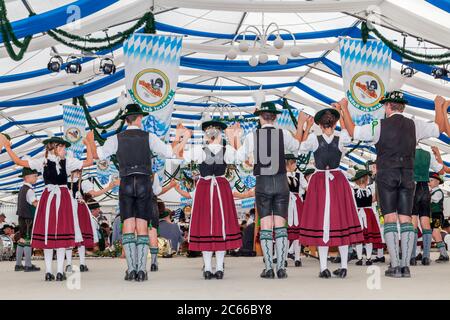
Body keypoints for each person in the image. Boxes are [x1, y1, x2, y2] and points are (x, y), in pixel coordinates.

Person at [337, 92, 444, 278]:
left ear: (387, 107)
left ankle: (394, 265)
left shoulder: (379, 125)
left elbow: (353, 132)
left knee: (390, 218)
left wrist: (344, 108)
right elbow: (438, 129)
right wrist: (438, 106)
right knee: (406, 219)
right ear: (402, 107)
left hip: (387, 174)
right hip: (408, 175)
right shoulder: (414, 125)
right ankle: (405, 266)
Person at [87, 103, 190, 282]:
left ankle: (131, 269)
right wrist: (183, 138)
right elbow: (168, 152)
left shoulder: (117, 138)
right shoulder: (148, 136)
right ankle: (142, 270)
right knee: (142, 227)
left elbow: (98, 156)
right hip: (144, 181)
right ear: (140, 118)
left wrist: (89, 141)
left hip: (126, 181)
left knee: (128, 225)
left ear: (126, 119)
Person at [0, 134, 93, 281]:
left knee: (59, 235)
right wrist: (6, 146)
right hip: (52, 198)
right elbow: (17, 161)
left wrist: (88, 144)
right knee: (51, 235)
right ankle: (52, 271)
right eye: (62, 147)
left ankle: (56, 271)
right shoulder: (44, 161)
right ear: (55, 148)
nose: (64, 150)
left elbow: (89, 162)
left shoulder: (64, 161)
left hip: (56, 198)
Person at [229, 101, 304, 279]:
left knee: (265, 226)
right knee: (280, 226)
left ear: (261, 117)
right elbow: (297, 146)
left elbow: (238, 157)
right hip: (281, 182)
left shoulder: (252, 136)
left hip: (262, 183)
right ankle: (281, 268)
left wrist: (235, 137)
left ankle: (269, 267)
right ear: (275, 117)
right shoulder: (283, 133)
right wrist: (301, 125)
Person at [296, 107, 364, 279]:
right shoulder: (342, 137)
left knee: (321, 224)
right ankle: (343, 267)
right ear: (335, 123)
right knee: (340, 222)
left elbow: (300, 149)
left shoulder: (313, 138)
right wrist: (343, 114)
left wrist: (303, 126)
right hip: (337, 181)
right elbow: (352, 133)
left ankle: (324, 268)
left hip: (319, 182)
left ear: (319, 124)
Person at [174, 118, 242, 280]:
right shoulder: (228, 150)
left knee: (205, 226)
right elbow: (242, 158)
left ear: (206, 134)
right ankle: (219, 268)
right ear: (221, 134)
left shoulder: (199, 150)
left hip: (204, 188)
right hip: (221, 187)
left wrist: (184, 138)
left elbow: (177, 154)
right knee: (221, 226)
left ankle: (207, 268)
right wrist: (235, 137)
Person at [65, 170, 117, 273]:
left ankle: (69, 265)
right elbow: (94, 194)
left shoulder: (63, 183)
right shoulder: (83, 182)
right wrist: (109, 187)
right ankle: (82, 264)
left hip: (68, 209)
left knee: (69, 236)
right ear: (80, 171)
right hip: (80, 209)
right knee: (82, 237)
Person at [410, 146, 444, 266]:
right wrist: (438, 154)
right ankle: (425, 257)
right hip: (425, 188)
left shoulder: (407, 150)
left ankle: (412, 256)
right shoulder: (427, 154)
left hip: (412, 187)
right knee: (425, 222)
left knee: (413, 222)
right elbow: (441, 170)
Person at [351, 169, 383, 266]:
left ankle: (360, 258)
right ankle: (368, 258)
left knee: (361, 239)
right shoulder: (366, 190)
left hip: (362, 214)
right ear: (366, 179)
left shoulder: (356, 190)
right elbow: (373, 199)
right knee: (368, 239)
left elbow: (352, 203)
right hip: (367, 215)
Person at [148, 177, 176, 273]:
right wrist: (170, 186)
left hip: (136, 205)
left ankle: (138, 263)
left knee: (139, 233)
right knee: (152, 232)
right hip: (151, 205)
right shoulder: (152, 172)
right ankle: (154, 262)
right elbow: (157, 191)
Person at [14, 168, 40, 272]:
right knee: (28, 240)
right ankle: (28, 265)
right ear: (27, 177)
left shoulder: (21, 189)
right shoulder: (29, 190)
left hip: (21, 218)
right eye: (35, 176)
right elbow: (35, 204)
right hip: (28, 219)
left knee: (22, 240)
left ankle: (18, 264)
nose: (36, 178)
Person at [285, 154, 308, 267]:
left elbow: (307, 187)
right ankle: (283, 257)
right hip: (285, 203)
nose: (296, 165)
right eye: (294, 163)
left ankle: (297, 258)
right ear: (289, 163)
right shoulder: (281, 175)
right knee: (285, 231)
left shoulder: (299, 175)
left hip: (297, 203)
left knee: (297, 231)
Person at [428, 172, 449, 263]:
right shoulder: (431, 191)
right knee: (434, 234)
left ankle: (444, 254)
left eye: (431, 180)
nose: (429, 182)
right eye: (428, 181)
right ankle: (443, 253)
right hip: (432, 216)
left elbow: (432, 200)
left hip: (437, 215)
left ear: (437, 182)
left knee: (436, 233)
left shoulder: (438, 192)